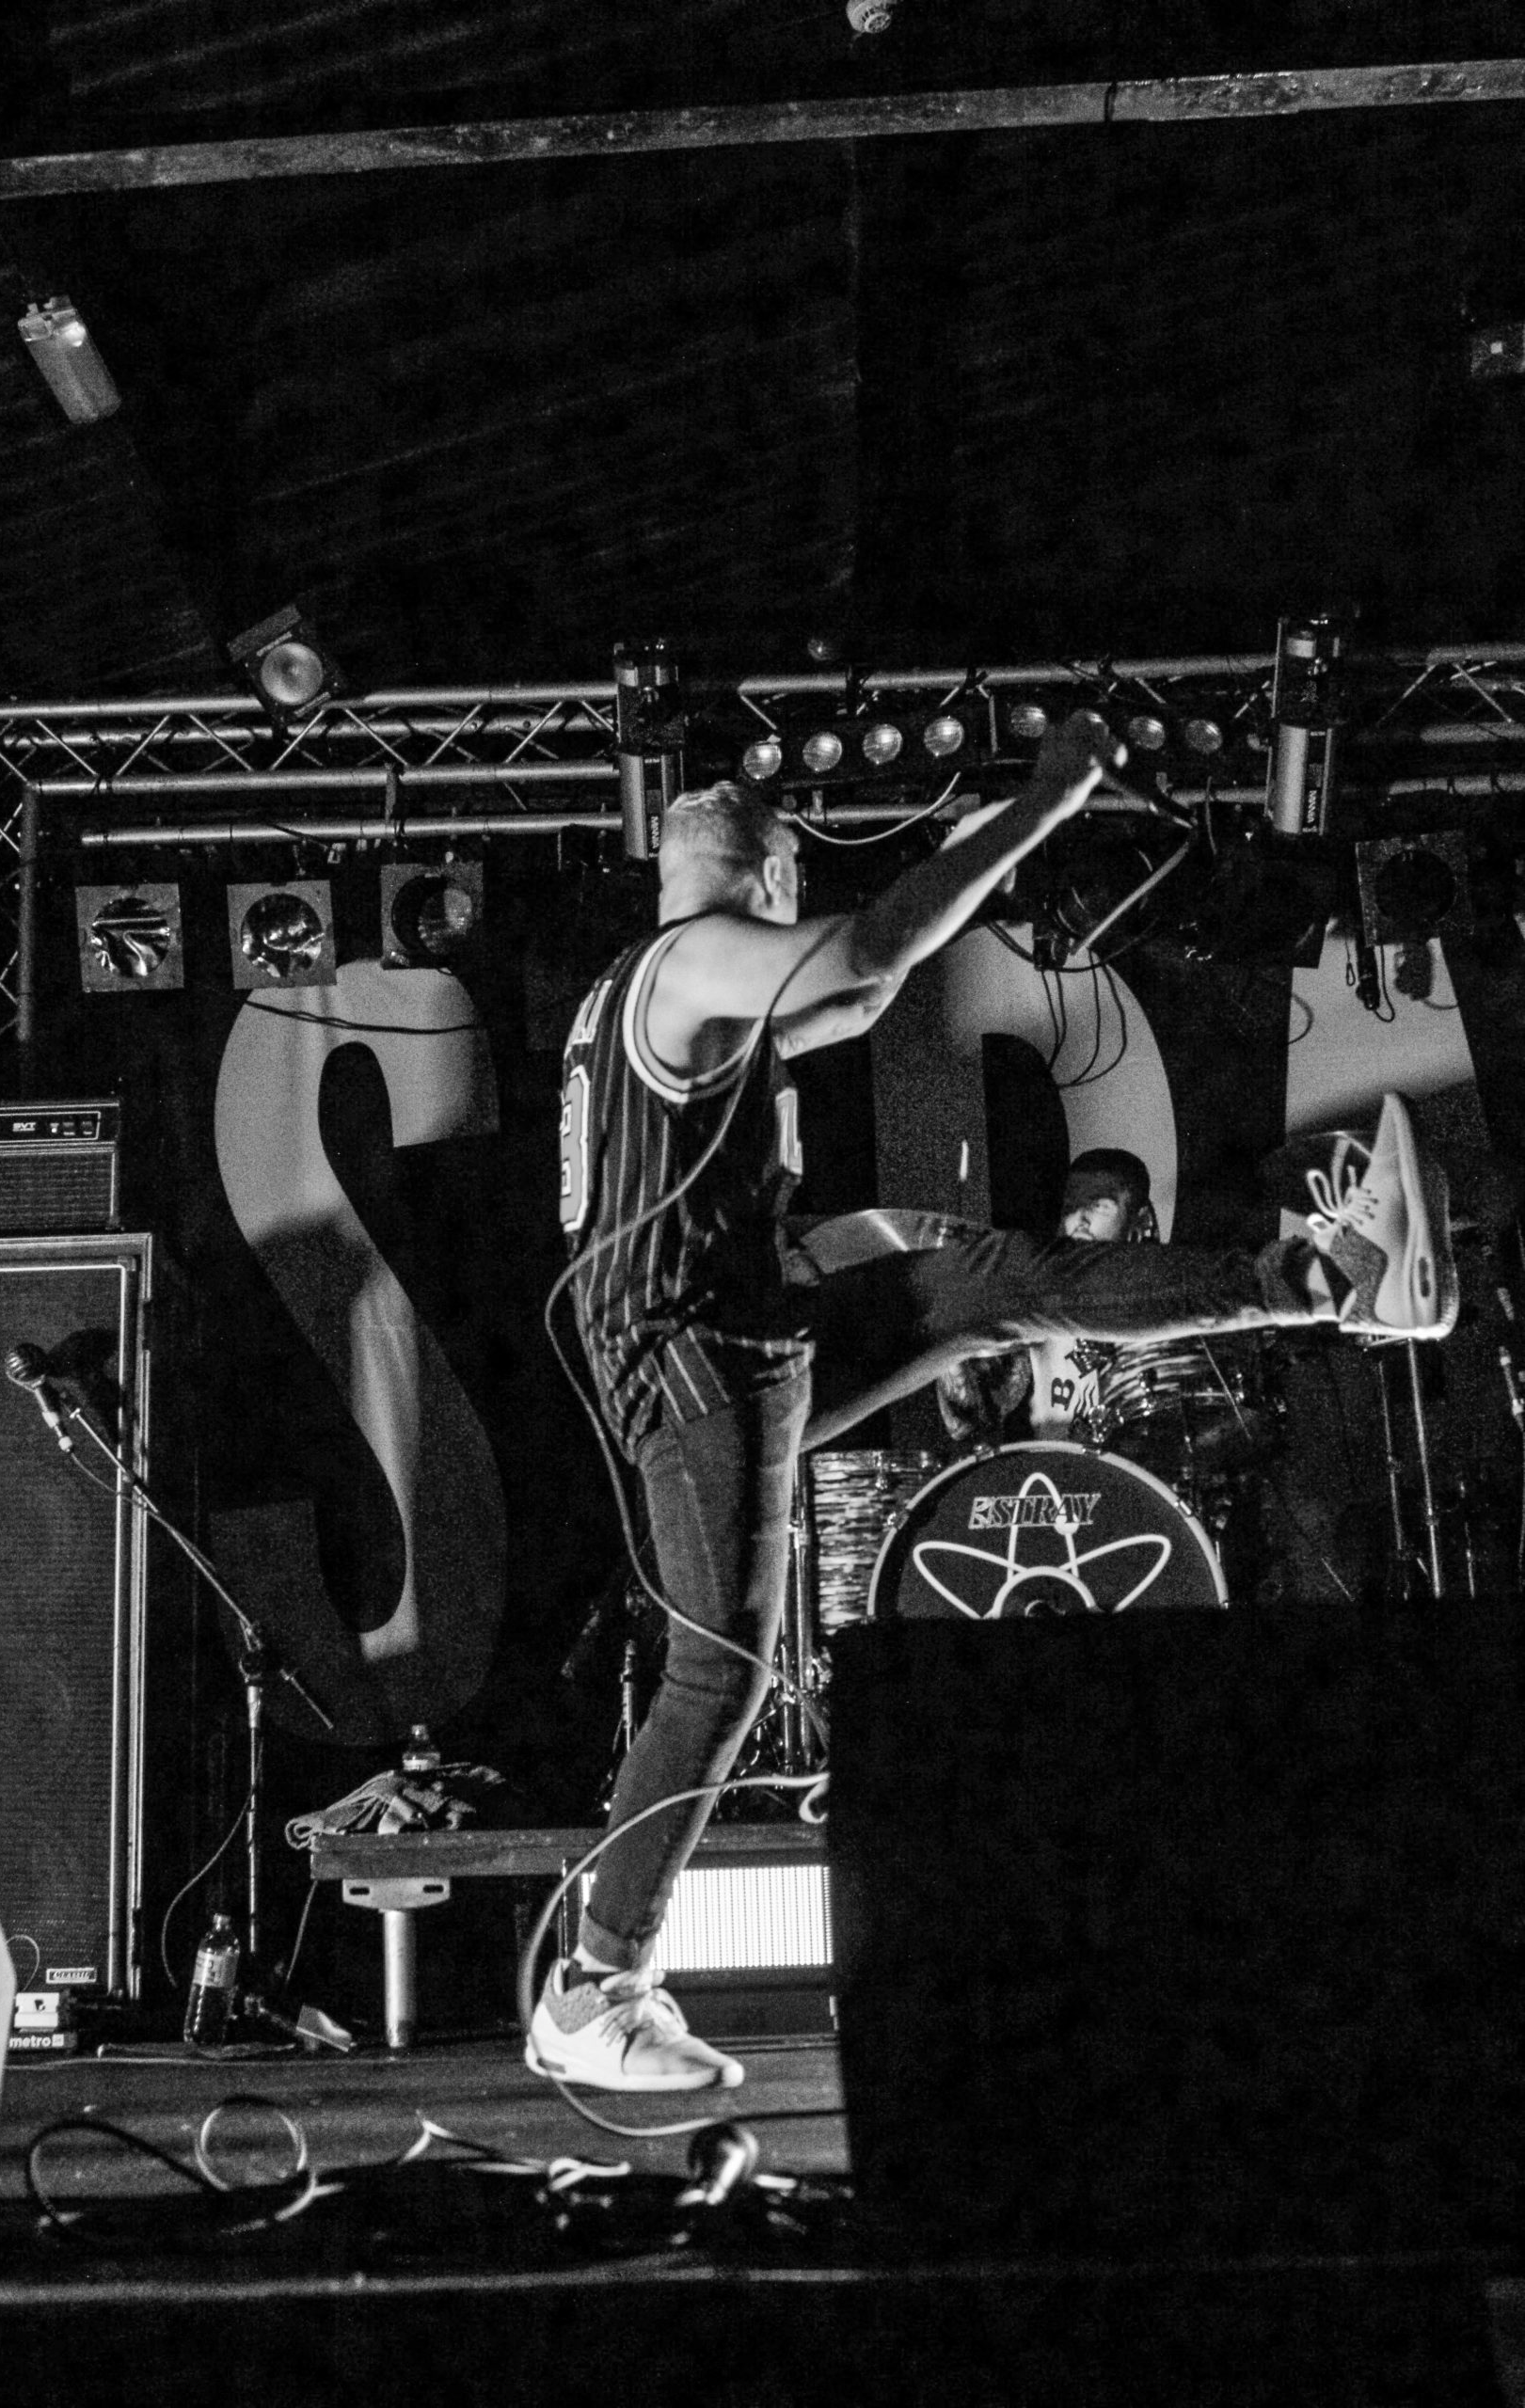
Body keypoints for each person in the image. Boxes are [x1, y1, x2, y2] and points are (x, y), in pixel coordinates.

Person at [533, 712, 1456, 2092]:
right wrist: (1042, 803)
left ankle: (1325, 1279)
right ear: (773, 878)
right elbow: (861, 956)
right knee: (717, 1666)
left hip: (745, 1327)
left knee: (995, 1286)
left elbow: (851, 1002)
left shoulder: (652, 991)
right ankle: (593, 1985)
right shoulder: (689, 961)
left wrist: (984, 842)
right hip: (693, 1354)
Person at [935, 1147, 1158, 1449]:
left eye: (1099, 1207)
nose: (1078, 1219)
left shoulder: (1165, 1307)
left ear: (1140, 1222)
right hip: (1045, 1475)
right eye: (1070, 1205)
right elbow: (966, 1423)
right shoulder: (1030, 1307)